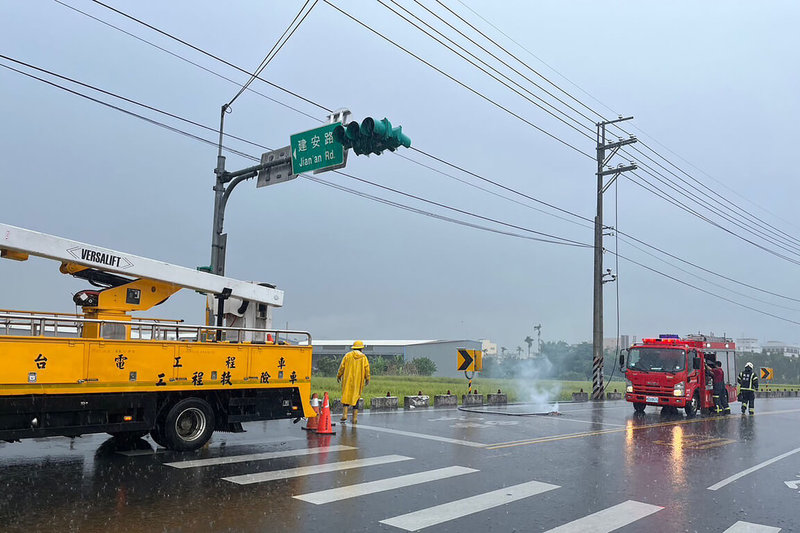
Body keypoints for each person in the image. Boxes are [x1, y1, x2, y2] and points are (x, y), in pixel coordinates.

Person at [337, 340, 371, 424]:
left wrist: (339, 376)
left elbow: (342, 367)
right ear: (361, 349)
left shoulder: (347, 356)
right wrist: (367, 379)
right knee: (356, 397)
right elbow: (367, 369)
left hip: (347, 379)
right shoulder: (363, 358)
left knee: (346, 396)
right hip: (358, 381)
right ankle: (354, 418)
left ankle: (344, 415)